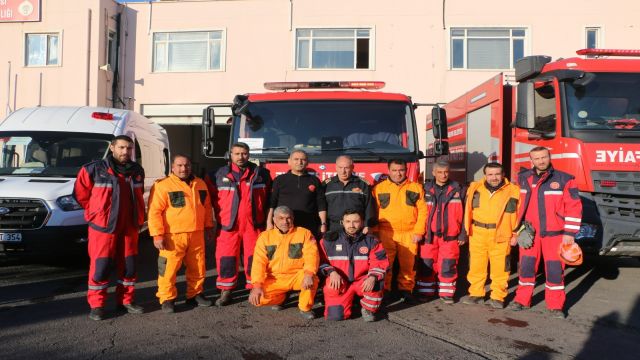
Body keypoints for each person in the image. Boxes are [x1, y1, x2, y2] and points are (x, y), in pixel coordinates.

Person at [73, 135, 146, 321]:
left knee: (129, 267)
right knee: (101, 267)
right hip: (103, 228)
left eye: (128, 148)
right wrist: (95, 213)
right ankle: (97, 305)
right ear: (112, 148)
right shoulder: (94, 169)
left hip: (129, 227)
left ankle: (126, 300)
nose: (125, 152)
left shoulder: (137, 170)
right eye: (121, 147)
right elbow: (81, 196)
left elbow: (138, 195)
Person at [509, 147, 582, 318]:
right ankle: (521, 300)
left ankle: (555, 305)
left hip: (555, 234)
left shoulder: (565, 179)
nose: (541, 161)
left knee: (555, 270)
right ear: (531, 161)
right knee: (526, 268)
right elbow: (515, 207)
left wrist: (570, 233)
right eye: (537, 158)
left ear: (549, 157)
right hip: (529, 233)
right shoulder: (523, 179)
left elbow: (574, 207)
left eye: (544, 157)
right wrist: (516, 231)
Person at [205, 142, 271, 306]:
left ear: (248, 154)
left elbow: (270, 199)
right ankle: (226, 290)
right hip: (228, 225)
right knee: (226, 257)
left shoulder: (262, 174)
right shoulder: (216, 175)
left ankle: (254, 287)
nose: (241, 157)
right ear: (230, 155)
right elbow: (208, 202)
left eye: (244, 153)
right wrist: (211, 222)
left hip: (254, 225)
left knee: (254, 257)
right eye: (237, 154)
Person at [148, 154, 215, 313]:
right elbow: (154, 212)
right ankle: (167, 299)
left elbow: (206, 207)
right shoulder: (163, 185)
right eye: (179, 165)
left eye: (187, 165)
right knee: (168, 269)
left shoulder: (200, 184)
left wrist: (208, 226)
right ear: (172, 167)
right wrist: (157, 235)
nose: (184, 168)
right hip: (172, 235)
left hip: (196, 234)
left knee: (198, 267)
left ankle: (195, 294)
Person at [462, 162, 520, 309]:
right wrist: (465, 231)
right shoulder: (475, 188)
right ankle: (476, 294)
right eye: (490, 174)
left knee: (501, 267)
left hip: (502, 234)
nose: (494, 177)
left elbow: (520, 215)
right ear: (485, 175)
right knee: (476, 265)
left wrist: (516, 234)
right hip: (477, 232)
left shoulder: (514, 191)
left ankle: (498, 297)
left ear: (503, 174)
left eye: (497, 174)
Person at [248, 206, 319, 319]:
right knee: (258, 299)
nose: (285, 222)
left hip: (296, 276)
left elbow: (312, 255)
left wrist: (309, 274)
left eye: (288, 218)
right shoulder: (265, 237)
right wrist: (257, 285)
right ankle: (281, 297)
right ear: (274, 219)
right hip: (274, 278)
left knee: (312, 279)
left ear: (293, 219)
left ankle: (305, 308)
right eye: (281, 218)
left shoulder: (304, 233)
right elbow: (258, 263)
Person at [372, 159, 427, 303]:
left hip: (409, 233)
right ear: (389, 170)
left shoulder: (416, 188)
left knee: (408, 265)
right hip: (386, 233)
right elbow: (373, 211)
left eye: (401, 170)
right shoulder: (379, 188)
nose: (398, 173)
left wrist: (418, 232)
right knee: (385, 264)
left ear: (406, 170)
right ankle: (385, 290)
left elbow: (423, 211)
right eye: (395, 170)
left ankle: (406, 290)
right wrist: (375, 232)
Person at [319, 209, 389, 321]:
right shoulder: (329, 240)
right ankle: (350, 301)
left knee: (377, 282)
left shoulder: (371, 241)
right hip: (340, 281)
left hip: (362, 281)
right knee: (336, 316)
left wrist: (372, 277)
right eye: (348, 221)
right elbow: (320, 262)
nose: (351, 225)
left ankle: (367, 309)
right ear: (342, 222)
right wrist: (331, 272)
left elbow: (380, 262)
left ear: (361, 222)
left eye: (356, 221)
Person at [416, 160, 466, 304]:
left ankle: (447, 293)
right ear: (433, 173)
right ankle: (426, 292)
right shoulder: (424, 189)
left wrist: (462, 234)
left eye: (446, 172)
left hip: (450, 236)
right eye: (440, 172)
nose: (443, 175)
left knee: (448, 264)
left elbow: (466, 214)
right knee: (426, 264)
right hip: (428, 236)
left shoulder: (459, 189)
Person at [267, 149, 327, 238]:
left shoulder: (314, 180)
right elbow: (272, 203)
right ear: (289, 161)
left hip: (309, 226)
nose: (300, 162)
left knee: (309, 251)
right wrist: (269, 222)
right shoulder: (279, 180)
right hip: (284, 226)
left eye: (303, 159)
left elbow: (321, 205)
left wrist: (323, 224)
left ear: (307, 162)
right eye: (296, 159)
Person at [324, 155, 376, 233]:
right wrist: (322, 224)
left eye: (346, 168)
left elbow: (369, 207)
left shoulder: (363, 184)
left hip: (356, 228)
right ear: (336, 167)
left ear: (352, 167)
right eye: (340, 167)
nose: (343, 171)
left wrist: (367, 225)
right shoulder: (326, 185)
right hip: (333, 228)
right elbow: (321, 207)